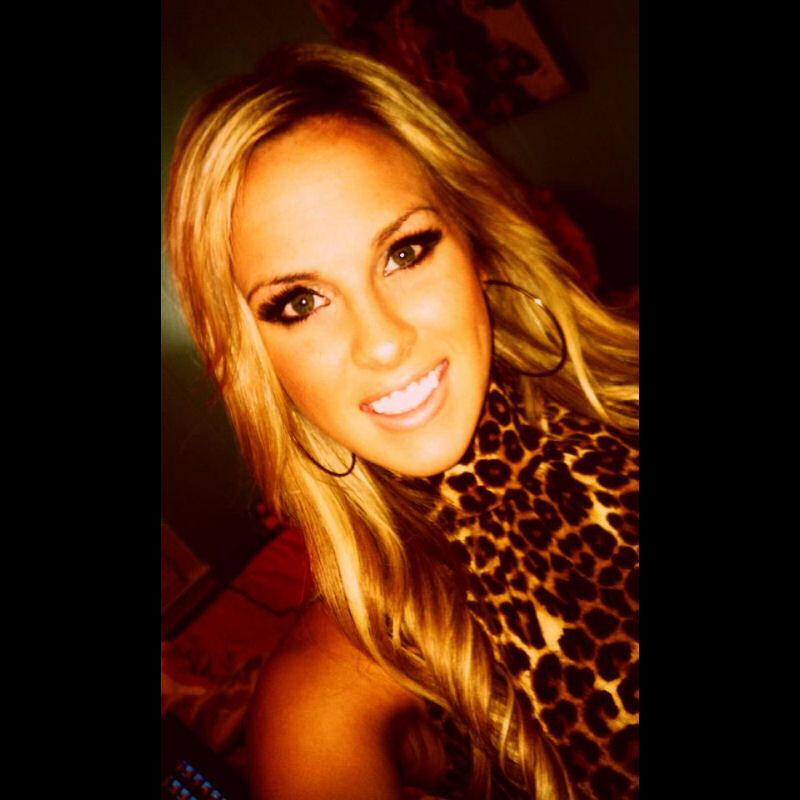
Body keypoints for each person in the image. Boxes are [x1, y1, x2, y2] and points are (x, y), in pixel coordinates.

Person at [165, 43, 638, 800]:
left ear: (476, 245)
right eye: (299, 302)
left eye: (405, 251)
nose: (383, 343)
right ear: (255, 361)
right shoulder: (328, 691)